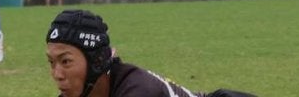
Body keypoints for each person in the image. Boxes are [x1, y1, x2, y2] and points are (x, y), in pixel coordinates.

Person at [46, 9, 257, 97]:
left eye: (66, 61)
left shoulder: (138, 90)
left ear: (97, 60)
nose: (57, 74)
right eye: (51, 62)